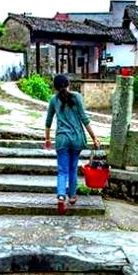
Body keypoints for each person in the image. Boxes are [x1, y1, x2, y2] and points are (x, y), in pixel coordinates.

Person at [44, 74, 100, 215]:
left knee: (62, 170)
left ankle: (61, 196)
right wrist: (94, 137)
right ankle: (73, 196)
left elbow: (48, 122)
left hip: (62, 139)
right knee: (73, 168)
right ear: (68, 84)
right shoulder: (77, 97)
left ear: (55, 87)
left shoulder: (53, 100)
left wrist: (47, 139)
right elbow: (84, 119)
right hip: (76, 139)